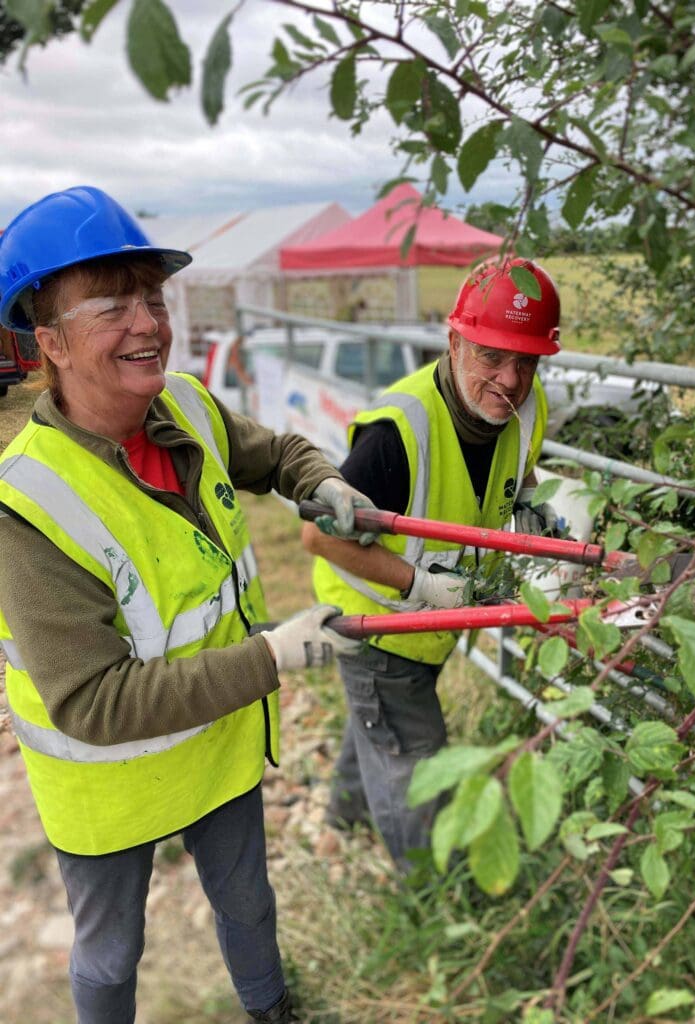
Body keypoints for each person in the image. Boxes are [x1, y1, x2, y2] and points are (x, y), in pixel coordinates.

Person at [0, 185, 376, 1024]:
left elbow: (277, 452)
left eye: (153, 295)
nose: (147, 323)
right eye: (110, 303)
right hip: (108, 789)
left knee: (248, 903)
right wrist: (274, 657)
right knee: (110, 951)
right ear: (49, 340)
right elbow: (92, 702)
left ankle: (272, 1011)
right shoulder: (28, 505)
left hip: (217, 744)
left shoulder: (186, 410)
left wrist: (324, 484)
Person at [301, 257, 562, 872]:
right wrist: (420, 585)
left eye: (526, 361)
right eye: (491, 356)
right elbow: (318, 537)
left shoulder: (526, 406)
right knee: (414, 759)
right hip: (376, 619)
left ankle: (343, 816)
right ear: (454, 342)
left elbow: (516, 477)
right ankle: (428, 892)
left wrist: (529, 508)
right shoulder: (398, 433)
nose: (511, 379)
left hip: (428, 623)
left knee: (379, 725)